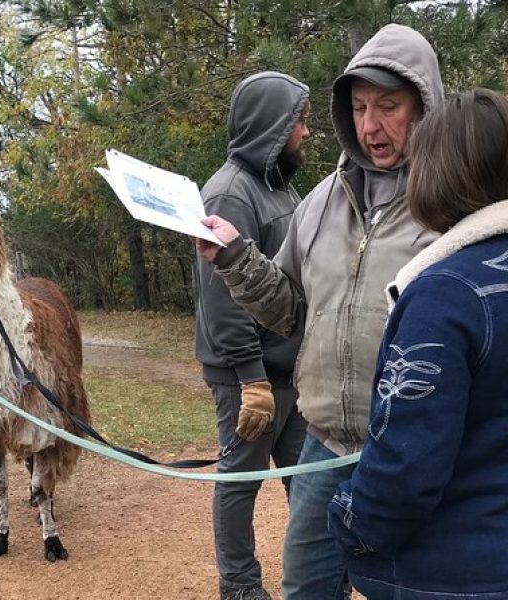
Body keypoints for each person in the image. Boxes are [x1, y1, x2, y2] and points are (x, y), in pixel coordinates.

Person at [195, 24, 443, 599]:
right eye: (358, 107)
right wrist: (235, 256)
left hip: (414, 458)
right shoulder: (322, 201)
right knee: (305, 588)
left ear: (425, 105)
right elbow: (287, 309)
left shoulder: (452, 203)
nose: (370, 125)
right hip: (324, 448)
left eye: (388, 106)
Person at [327, 89, 508, 599]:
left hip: (453, 574)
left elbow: (405, 471)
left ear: (433, 175)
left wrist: (348, 522)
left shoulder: (443, 297)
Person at [195, 71, 310, 600]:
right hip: (252, 377)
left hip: (293, 370)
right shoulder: (230, 194)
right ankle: (239, 586)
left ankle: (321, 569)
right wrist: (251, 379)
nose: (306, 132)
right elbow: (222, 295)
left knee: (308, 479)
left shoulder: (279, 186)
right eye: (299, 121)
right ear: (273, 125)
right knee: (239, 482)